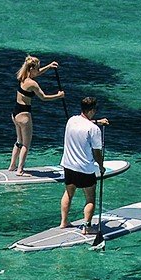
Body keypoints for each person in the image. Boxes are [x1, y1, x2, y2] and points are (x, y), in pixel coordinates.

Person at [57, 96, 110, 240]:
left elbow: (84, 123)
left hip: (68, 165)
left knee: (68, 193)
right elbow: (97, 152)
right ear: (92, 110)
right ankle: (87, 227)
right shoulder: (94, 130)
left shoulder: (71, 120)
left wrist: (98, 121)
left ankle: (63, 222)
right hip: (85, 168)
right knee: (90, 198)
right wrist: (101, 166)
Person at [9, 55, 64, 176]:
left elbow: (37, 73)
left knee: (19, 141)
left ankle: (12, 165)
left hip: (15, 113)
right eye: (37, 68)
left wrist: (49, 66)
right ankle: (20, 170)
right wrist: (58, 95)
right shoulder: (32, 84)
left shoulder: (22, 76)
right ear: (32, 68)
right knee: (26, 144)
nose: (38, 70)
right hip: (24, 115)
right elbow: (43, 97)